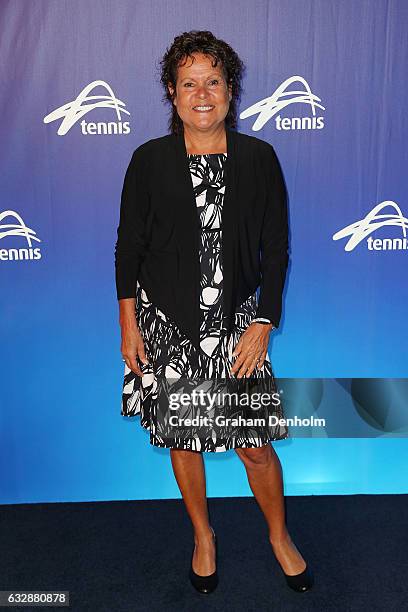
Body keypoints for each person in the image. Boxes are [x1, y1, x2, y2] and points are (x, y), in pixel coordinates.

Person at [114, 30, 313, 594]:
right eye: (189, 83)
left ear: (230, 92)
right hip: (167, 326)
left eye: (214, 82)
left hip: (237, 329)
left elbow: (276, 248)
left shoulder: (260, 158)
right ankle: (203, 535)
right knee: (184, 438)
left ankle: (278, 536)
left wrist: (264, 321)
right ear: (172, 95)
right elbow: (129, 246)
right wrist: (128, 322)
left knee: (254, 443)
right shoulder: (148, 161)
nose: (202, 93)